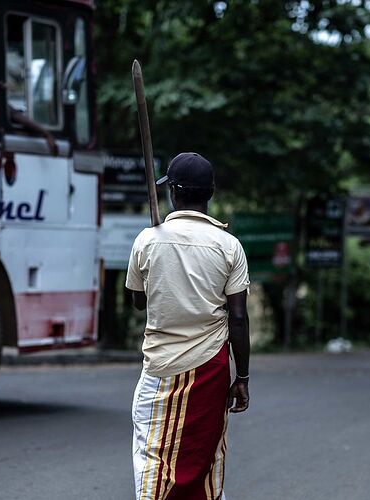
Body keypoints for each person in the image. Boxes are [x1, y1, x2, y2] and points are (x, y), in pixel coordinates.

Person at [126, 152, 250, 500]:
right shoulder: (229, 246)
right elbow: (238, 317)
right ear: (209, 193)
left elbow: (137, 301)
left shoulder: (147, 240)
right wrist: (242, 378)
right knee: (205, 457)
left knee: (154, 453)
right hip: (212, 368)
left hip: (161, 367)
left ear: (173, 193)